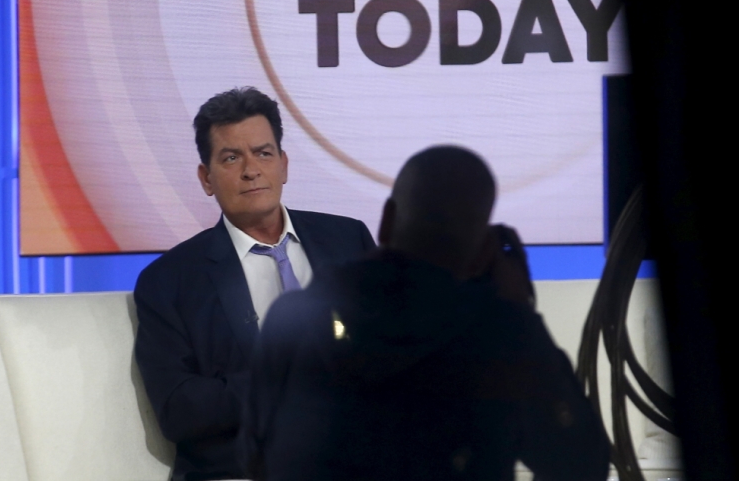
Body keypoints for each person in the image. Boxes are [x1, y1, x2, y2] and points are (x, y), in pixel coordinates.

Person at [239, 146, 610, 481]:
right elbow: (581, 465)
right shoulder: (498, 335)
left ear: (386, 220)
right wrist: (521, 314)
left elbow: (254, 458)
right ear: (482, 252)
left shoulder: (293, 317)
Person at [134, 87, 375, 481]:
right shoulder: (170, 281)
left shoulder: (349, 241)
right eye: (231, 157)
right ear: (206, 178)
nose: (251, 169)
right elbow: (178, 410)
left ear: (283, 165)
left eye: (263, 153)